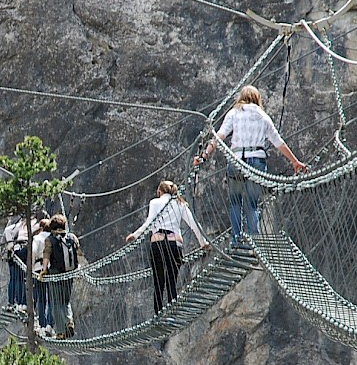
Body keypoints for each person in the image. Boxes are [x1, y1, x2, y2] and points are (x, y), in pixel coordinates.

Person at [193, 85, 308, 248]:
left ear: (241, 98)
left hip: (236, 161)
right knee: (252, 204)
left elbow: (219, 137)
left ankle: (236, 239)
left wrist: (204, 156)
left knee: (235, 203)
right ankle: (254, 240)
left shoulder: (234, 113)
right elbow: (278, 143)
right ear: (257, 99)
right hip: (256, 162)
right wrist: (295, 161)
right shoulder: (263, 116)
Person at [125, 180, 211, 314]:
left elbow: (150, 222)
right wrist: (203, 242)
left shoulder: (155, 202)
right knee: (172, 280)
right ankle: (172, 313)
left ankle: (158, 314)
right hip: (174, 245)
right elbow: (194, 223)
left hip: (157, 244)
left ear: (160, 192)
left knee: (158, 281)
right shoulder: (180, 203)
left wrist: (135, 235)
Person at [41, 213, 80, 339]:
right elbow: (77, 251)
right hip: (70, 273)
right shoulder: (72, 238)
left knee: (56, 302)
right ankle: (69, 321)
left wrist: (44, 269)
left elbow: (46, 254)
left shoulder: (50, 239)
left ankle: (60, 332)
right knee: (66, 300)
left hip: (55, 274)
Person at [30, 218, 54, 337]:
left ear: (41, 228)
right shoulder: (53, 238)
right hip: (52, 270)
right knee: (51, 298)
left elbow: (33, 252)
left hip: (38, 270)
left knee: (41, 298)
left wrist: (31, 267)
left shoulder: (37, 238)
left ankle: (42, 325)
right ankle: (50, 324)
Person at [2, 216, 29, 310]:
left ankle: (11, 302)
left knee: (13, 279)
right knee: (20, 279)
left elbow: (4, 238)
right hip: (18, 254)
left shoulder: (9, 227)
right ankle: (19, 301)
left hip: (11, 255)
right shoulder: (20, 226)